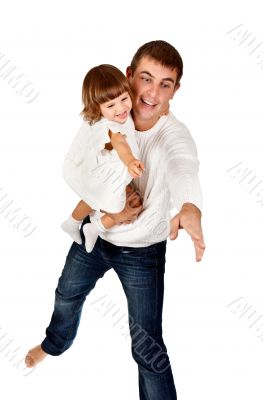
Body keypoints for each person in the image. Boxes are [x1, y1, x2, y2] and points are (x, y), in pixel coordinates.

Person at [25, 40, 205, 400]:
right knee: (66, 293)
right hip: (97, 234)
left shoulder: (173, 134)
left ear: (175, 90)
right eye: (146, 78)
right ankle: (55, 343)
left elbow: (185, 166)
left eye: (165, 84)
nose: (152, 92)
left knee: (147, 346)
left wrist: (189, 208)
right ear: (128, 77)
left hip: (142, 252)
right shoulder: (105, 119)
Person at [61, 64, 145, 252]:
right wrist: (130, 160)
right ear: (97, 107)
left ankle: (73, 222)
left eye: (124, 98)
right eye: (111, 105)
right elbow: (120, 143)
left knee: (92, 199)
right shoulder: (109, 125)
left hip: (103, 172)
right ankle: (95, 227)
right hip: (108, 173)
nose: (121, 108)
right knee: (123, 205)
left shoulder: (116, 114)